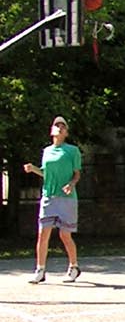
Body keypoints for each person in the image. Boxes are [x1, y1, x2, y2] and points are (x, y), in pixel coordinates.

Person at [23, 116, 81, 284]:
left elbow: (77, 174)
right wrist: (33, 169)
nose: (59, 128)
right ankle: (40, 270)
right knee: (43, 234)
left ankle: (74, 267)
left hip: (67, 199)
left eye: (63, 126)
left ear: (66, 132)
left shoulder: (72, 151)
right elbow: (45, 173)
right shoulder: (47, 151)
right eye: (57, 125)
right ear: (51, 131)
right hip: (48, 197)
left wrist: (71, 184)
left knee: (65, 235)